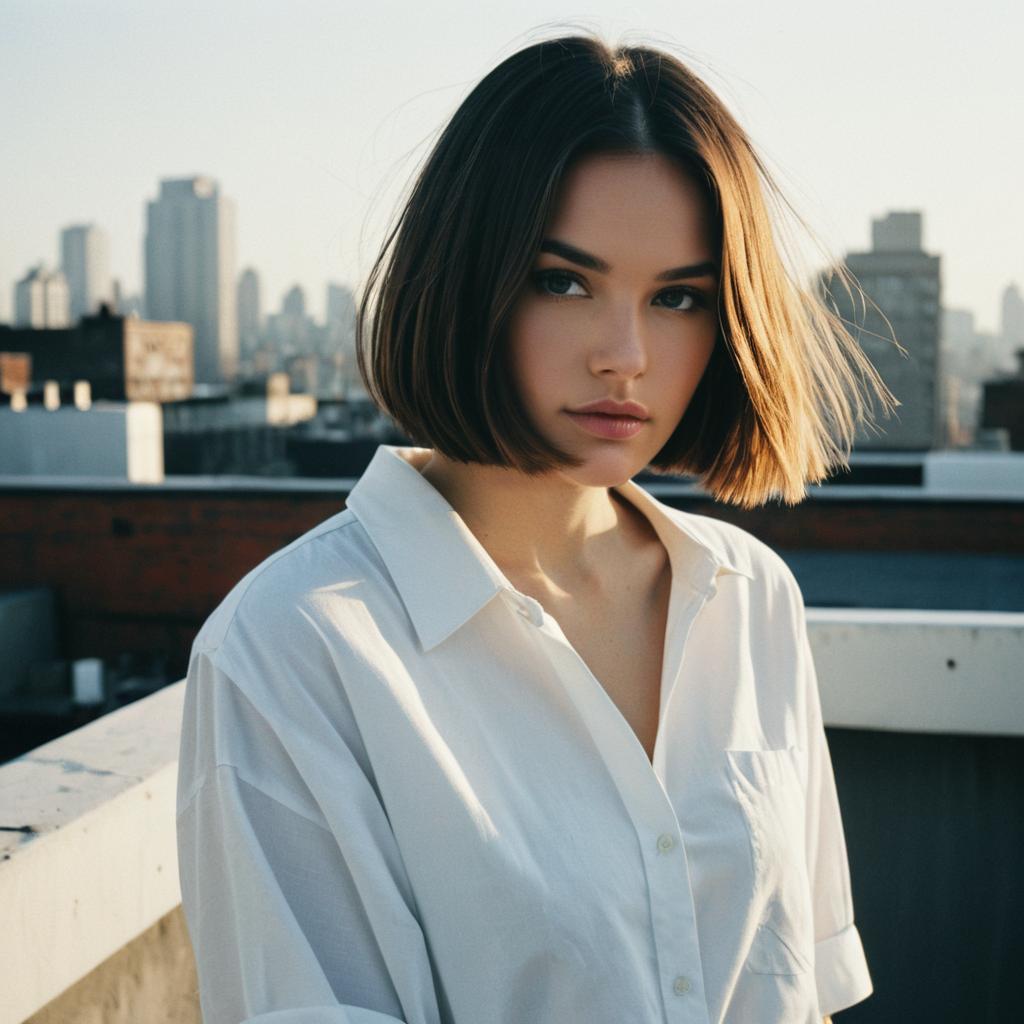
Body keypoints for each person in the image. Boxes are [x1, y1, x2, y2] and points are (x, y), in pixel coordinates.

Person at [176, 31, 893, 1024]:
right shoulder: (291, 649)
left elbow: (802, 994)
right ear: (470, 279)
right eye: (563, 280)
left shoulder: (748, 595)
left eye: (678, 297)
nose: (626, 356)